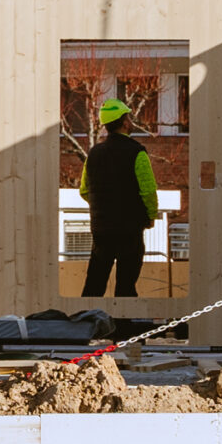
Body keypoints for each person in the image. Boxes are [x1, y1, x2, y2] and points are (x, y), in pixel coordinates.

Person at [78, 98, 161, 297]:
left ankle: (88, 324)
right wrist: (151, 215)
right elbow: (148, 190)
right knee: (126, 286)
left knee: (94, 284)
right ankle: (124, 326)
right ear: (124, 122)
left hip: (101, 230)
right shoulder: (137, 152)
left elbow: (84, 190)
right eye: (128, 118)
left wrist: (103, 207)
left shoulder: (93, 154)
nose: (130, 121)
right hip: (130, 230)